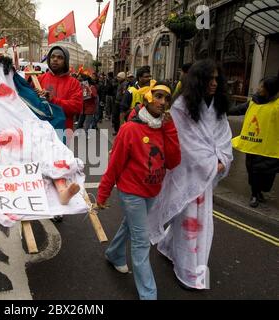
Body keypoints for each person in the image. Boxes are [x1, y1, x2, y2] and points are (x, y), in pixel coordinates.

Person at [148, 59, 233, 290]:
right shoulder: (180, 107)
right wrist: (209, 162)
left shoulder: (217, 106)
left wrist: (222, 158)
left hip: (205, 176)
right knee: (187, 220)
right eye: (210, 79)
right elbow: (182, 143)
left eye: (217, 78)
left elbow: (223, 137)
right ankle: (188, 272)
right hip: (186, 173)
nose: (214, 83)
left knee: (198, 222)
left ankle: (176, 254)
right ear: (198, 80)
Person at [96, 81, 181, 300]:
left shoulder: (164, 127)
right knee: (141, 241)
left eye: (166, 98)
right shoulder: (130, 129)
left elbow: (172, 162)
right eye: (158, 96)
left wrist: (170, 129)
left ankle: (114, 254)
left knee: (130, 226)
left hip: (152, 191)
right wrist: (102, 194)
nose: (163, 102)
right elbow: (114, 165)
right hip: (131, 192)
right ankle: (148, 294)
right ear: (147, 98)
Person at [230, 76, 279, 207]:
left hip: (269, 146)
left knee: (268, 174)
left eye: (262, 87)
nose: (259, 88)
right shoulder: (253, 101)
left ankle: (260, 192)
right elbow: (238, 109)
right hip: (252, 144)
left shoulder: (277, 105)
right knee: (254, 171)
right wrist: (222, 111)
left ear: (270, 90)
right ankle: (254, 195)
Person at [36, 46, 82, 138]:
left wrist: (53, 100)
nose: (55, 59)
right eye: (52, 57)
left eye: (60, 57)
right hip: (42, 131)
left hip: (63, 131)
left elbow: (77, 106)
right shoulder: (39, 79)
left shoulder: (74, 83)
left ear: (66, 61)